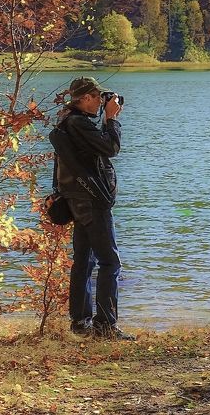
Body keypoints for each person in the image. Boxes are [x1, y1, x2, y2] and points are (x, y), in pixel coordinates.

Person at [50, 76, 134, 340]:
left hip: (77, 200)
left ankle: (80, 322)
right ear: (85, 98)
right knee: (110, 262)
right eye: (98, 97)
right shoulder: (79, 124)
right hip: (92, 201)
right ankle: (105, 326)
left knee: (84, 261)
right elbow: (111, 147)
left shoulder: (67, 122)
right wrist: (111, 119)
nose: (101, 101)